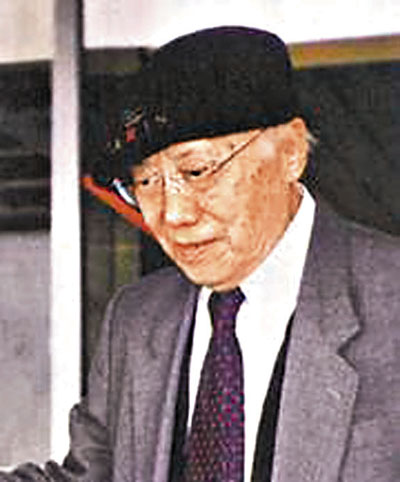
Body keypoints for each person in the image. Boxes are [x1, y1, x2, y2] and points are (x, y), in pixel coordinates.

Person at [2, 26, 399, 482]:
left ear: (290, 152)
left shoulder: (390, 300)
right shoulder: (137, 319)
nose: (173, 214)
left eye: (196, 171)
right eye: (145, 182)